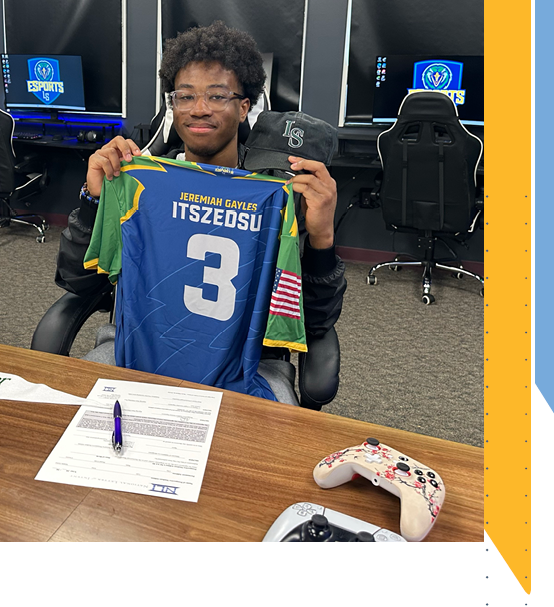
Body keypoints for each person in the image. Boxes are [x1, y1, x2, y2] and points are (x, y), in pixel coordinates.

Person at [55, 20, 346, 403]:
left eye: (217, 96)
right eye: (185, 96)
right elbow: (78, 283)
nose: (199, 109)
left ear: (244, 108)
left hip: (248, 365)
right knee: (65, 420)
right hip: (135, 352)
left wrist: (322, 238)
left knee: (275, 435)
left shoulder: (278, 195)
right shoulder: (140, 183)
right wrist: (94, 201)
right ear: (173, 105)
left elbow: (316, 322)